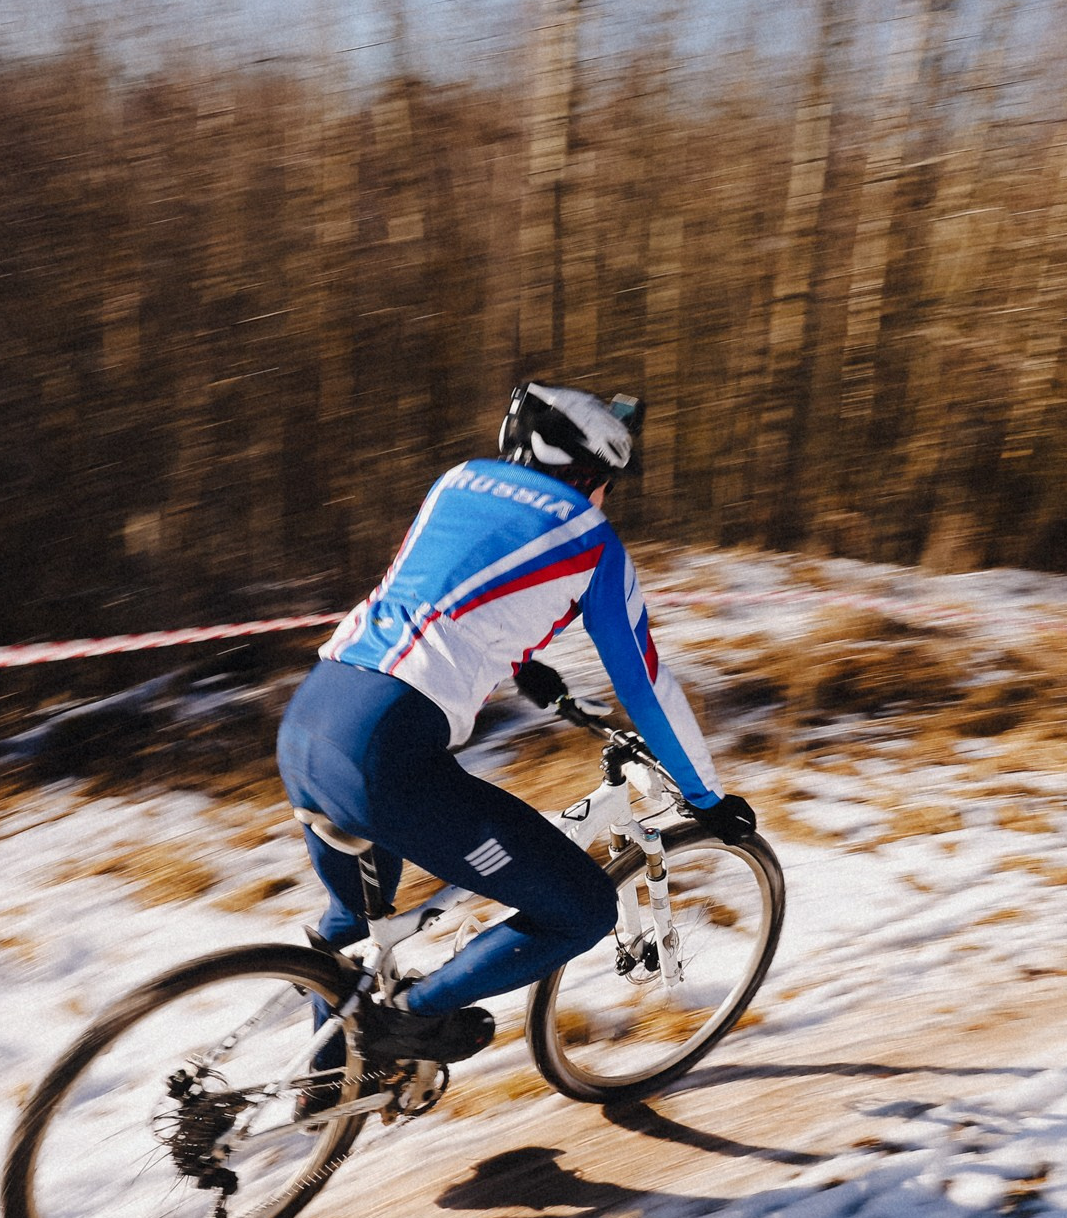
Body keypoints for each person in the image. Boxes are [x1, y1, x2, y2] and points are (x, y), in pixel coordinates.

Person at [277, 383, 756, 1064]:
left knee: (355, 926)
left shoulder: (456, 482)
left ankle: (319, 1093)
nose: (605, 501)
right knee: (581, 909)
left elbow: (452, 591)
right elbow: (645, 686)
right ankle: (408, 1020)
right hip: (384, 752)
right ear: (592, 471)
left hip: (310, 719)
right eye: (609, 485)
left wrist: (519, 662)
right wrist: (707, 798)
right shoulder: (594, 543)